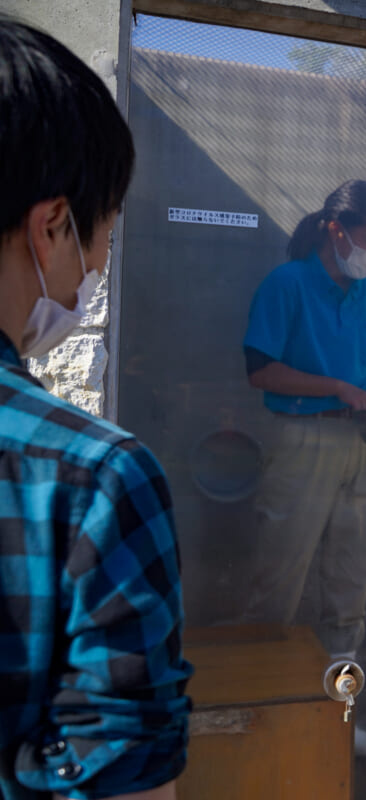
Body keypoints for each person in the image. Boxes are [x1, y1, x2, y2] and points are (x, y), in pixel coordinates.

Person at [0, 19, 192, 800]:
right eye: (105, 234)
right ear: (53, 228)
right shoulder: (93, 479)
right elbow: (121, 776)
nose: (98, 266)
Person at [242, 179, 366, 756]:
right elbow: (260, 371)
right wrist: (336, 386)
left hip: (363, 445)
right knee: (276, 587)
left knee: (349, 594)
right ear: (335, 230)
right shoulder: (286, 284)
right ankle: (261, 720)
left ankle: (337, 722)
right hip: (302, 437)